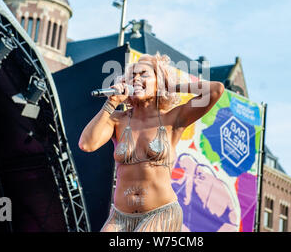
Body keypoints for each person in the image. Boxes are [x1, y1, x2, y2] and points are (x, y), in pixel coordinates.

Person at [78, 52, 224, 232]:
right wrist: (111, 103)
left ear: (159, 82)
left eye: (144, 74)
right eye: (132, 76)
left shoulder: (174, 119)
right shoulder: (117, 120)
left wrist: (172, 86)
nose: (136, 79)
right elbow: (87, 144)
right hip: (119, 217)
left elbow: (216, 90)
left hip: (161, 214)